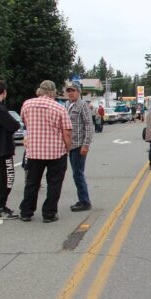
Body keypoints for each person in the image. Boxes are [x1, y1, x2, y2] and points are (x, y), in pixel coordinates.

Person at [19, 80, 73, 223]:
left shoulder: (27, 104)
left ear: (40, 91)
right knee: (54, 183)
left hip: (34, 151)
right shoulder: (60, 108)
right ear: (53, 92)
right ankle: (49, 213)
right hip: (56, 152)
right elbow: (67, 132)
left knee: (32, 183)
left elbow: (25, 122)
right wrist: (67, 148)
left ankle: (26, 211)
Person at [0, 80, 21, 218]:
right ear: (4, 92)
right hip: (3, 148)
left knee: (0, 178)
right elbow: (14, 125)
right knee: (7, 178)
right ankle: (0, 207)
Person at [65, 82, 94, 212]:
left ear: (79, 92)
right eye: (69, 90)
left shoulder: (82, 105)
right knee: (76, 174)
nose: (71, 93)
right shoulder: (67, 105)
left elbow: (88, 126)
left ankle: (84, 201)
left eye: (73, 90)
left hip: (79, 145)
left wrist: (86, 145)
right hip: (70, 145)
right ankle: (82, 199)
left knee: (78, 174)